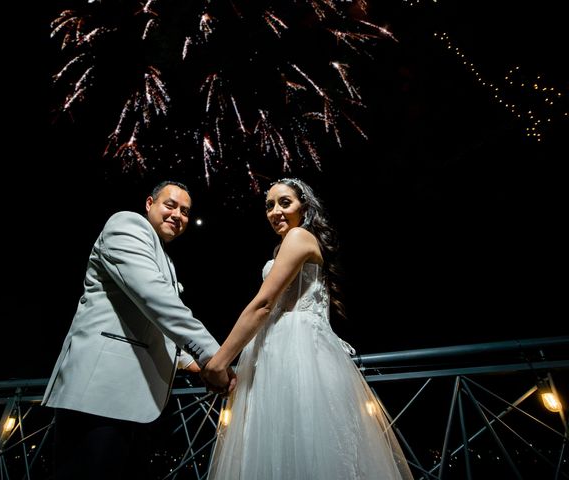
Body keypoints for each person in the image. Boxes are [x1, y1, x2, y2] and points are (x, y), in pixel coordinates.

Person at [201, 178, 414, 479]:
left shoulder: (299, 237)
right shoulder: (289, 244)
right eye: (269, 205)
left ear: (305, 207)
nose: (275, 211)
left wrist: (219, 361)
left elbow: (263, 305)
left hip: (296, 356)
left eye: (284, 202)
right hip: (280, 352)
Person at [42, 180, 235, 479]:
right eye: (170, 205)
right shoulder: (126, 225)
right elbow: (154, 298)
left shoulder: (163, 257)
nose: (178, 215)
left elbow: (147, 323)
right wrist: (214, 356)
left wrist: (189, 362)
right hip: (98, 396)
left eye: (185, 211)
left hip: (136, 402)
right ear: (149, 204)